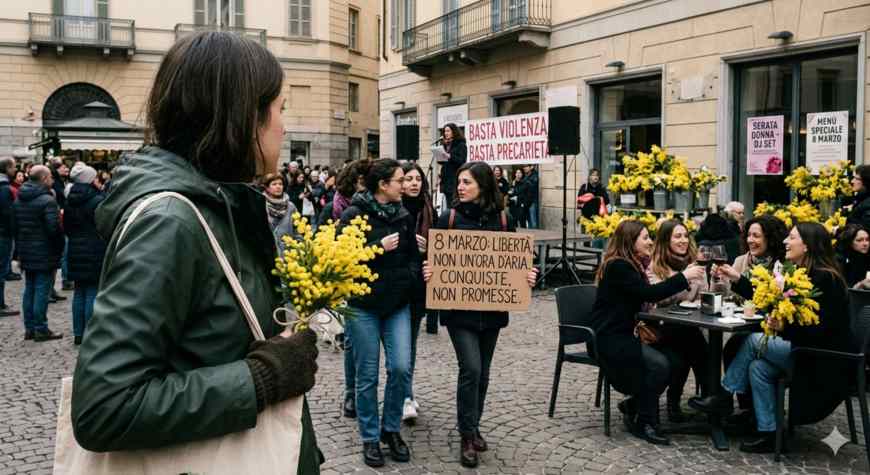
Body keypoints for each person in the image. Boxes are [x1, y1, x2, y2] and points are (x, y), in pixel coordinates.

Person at [69, 32, 321, 472]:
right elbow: (104, 407)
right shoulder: (170, 221)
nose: (284, 126)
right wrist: (261, 378)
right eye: (279, 109)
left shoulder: (219, 201)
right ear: (242, 116)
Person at [691, 222, 853, 453]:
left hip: (822, 358)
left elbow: (822, 331)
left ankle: (723, 395)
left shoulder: (826, 279)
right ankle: (770, 433)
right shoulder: (802, 272)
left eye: (792, 238)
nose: (786, 241)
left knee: (751, 342)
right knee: (758, 367)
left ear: (807, 246)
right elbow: (767, 301)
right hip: (803, 349)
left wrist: (783, 326)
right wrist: (738, 279)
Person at [422, 162, 538, 468]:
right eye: (459, 182)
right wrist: (430, 270)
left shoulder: (503, 219)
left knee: (483, 374)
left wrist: (527, 276)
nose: (460, 187)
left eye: (466, 182)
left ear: (483, 186)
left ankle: (474, 427)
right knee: (471, 369)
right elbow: (432, 259)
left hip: (492, 310)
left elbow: (518, 262)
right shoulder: (448, 219)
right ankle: (466, 435)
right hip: (459, 312)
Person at [589, 220, 705, 445]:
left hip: (629, 334)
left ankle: (635, 404)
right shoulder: (619, 266)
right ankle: (645, 421)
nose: (650, 241)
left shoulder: (634, 265)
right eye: (645, 238)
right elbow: (649, 294)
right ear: (630, 242)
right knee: (660, 364)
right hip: (610, 337)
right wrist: (684, 277)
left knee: (677, 359)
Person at [340, 158, 419, 468]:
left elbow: (413, 256)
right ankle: (370, 437)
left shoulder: (403, 215)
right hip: (362, 307)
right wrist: (376, 248)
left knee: (400, 368)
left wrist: (410, 278)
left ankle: (391, 430)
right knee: (367, 375)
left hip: (397, 305)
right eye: (400, 180)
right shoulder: (352, 215)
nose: (405, 185)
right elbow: (341, 259)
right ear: (383, 185)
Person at [646, 219, 710, 422]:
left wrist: (717, 280)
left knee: (693, 342)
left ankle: (708, 397)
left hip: (688, 325)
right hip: (660, 328)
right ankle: (710, 397)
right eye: (677, 236)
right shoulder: (654, 266)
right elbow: (658, 298)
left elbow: (704, 296)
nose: (683, 240)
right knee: (690, 343)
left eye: (685, 235)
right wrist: (684, 278)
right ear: (666, 240)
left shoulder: (695, 263)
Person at [399, 162, 435, 425]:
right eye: (409, 178)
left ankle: (406, 393)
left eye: (418, 179)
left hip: (418, 290)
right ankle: (402, 395)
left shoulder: (429, 210)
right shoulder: (391, 210)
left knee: (409, 344)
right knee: (398, 349)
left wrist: (428, 248)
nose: (414, 183)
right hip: (395, 288)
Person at [14, 165, 64, 341]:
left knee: (30, 289)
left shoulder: (20, 197)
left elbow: (16, 225)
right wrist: (59, 247)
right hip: (44, 251)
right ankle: (40, 328)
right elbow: (54, 229)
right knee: (41, 291)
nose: (52, 179)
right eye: (50, 176)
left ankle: (30, 328)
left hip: (26, 249)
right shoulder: (47, 200)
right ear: (43, 179)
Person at [64, 163, 107, 346]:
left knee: (79, 291)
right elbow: (104, 225)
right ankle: (90, 332)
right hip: (94, 248)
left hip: (75, 247)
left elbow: (66, 227)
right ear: (90, 180)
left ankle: (78, 333)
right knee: (92, 291)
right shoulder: (96, 200)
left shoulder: (69, 200)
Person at [0, 157, 18, 318]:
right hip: (3, 234)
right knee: (1, 269)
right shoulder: (5, 188)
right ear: (6, 169)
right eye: (13, 167)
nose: (15, 170)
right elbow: (7, 214)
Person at [261, 172, 299, 251]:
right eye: (274, 184)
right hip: (267, 252)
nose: (278, 187)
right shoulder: (260, 204)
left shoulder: (291, 206)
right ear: (267, 188)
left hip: (288, 253)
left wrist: (298, 246)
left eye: (280, 184)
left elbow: (298, 230)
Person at [438, 123, 467, 204]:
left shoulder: (461, 144)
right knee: (448, 204)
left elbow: (462, 161)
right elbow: (445, 162)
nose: (445, 133)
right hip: (446, 181)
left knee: (454, 204)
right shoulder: (445, 145)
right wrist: (440, 157)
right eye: (444, 131)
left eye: (448, 131)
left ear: (454, 131)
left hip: (454, 180)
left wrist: (449, 156)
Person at [848, 164, 870, 230]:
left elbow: (863, 230)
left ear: (866, 181)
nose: (852, 181)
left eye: (856, 179)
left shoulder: (867, 204)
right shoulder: (861, 198)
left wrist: (838, 230)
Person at [521, 164, 540, 229]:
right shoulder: (526, 177)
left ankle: (536, 236)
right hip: (526, 202)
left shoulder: (534, 176)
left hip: (532, 202)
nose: (524, 168)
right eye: (524, 166)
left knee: (533, 221)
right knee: (529, 221)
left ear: (531, 167)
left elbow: (532, 189)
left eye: (526, 166)